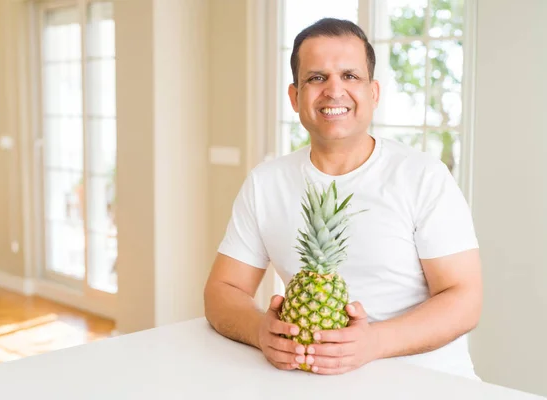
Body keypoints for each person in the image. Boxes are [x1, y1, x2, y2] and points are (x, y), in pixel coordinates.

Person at [203, 18, 482, 379]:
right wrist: (260, 332)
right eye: (316, 78)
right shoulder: (265, 183)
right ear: (295, 96)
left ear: (374, 93)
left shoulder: (423, 176)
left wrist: (373, 343)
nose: (334, 91)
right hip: (312, 382)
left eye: (350, 76)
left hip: (426, 381)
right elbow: (221, 290)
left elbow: (465, 299)